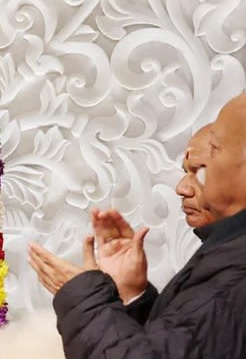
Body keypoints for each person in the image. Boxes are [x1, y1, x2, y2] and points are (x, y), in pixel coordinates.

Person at [28, 95, 246, 356]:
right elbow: (179, 342)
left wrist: (84, 298)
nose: (182, 188)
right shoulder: (225, 251)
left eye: (214, 150)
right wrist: (133, 294)